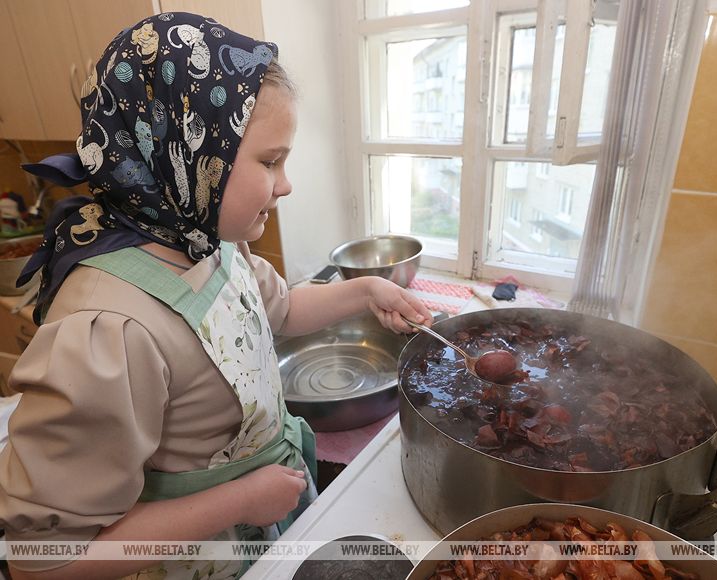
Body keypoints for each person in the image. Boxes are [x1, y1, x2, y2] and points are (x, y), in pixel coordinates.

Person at [0, 12, 432, 580]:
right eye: (270, 161)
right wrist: (241, 502)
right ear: (187, 152)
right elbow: (44, 561)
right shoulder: (109, 328)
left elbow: (280, 311)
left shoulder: (209, 242)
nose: (286, 184)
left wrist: (368, 288)